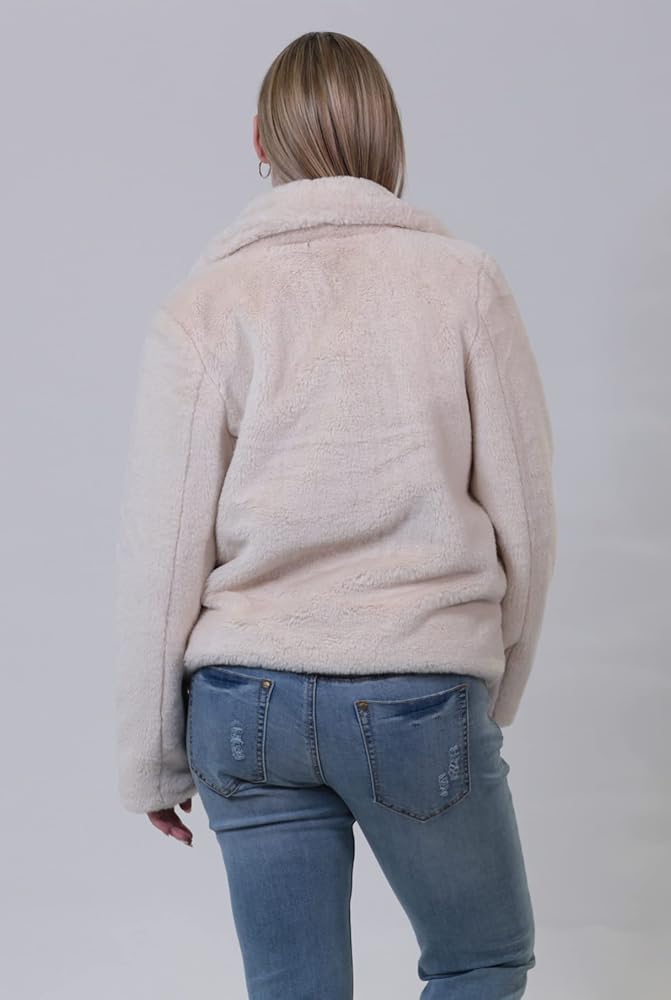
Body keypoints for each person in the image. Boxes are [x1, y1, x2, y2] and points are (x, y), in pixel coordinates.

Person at [113, 29, 557, 1000]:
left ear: (259, 141)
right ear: (388, 136)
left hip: (242, 706)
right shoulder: (461, 284)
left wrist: (151, 757)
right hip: (415, 692)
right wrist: (484, 691)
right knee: (479, 961)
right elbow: (525, 519)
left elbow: (162, 548)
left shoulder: (205, 304)